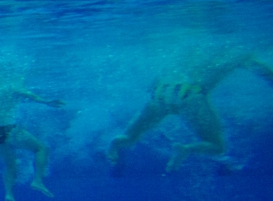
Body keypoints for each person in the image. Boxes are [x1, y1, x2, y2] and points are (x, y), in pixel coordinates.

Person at [107, 52, 273, 172]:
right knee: (217, 147)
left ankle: (114, 144)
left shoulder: (171, 52)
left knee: (130, 138)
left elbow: (151, 86)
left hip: (159, 95)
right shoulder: (219, 52)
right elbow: (245, 59)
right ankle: (186, 149)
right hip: (189, 94)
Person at [0, 85, 64, 201]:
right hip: (7, 127)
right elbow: (31, 95)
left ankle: (9, 194)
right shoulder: (12, 86)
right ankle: (37, 180)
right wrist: (47, 102)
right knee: (41, 148)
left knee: (11, 165)